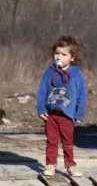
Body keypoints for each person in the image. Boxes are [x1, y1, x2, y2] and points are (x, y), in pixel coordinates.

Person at [36, 35, 87, 178]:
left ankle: (70, 165)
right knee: (51, 141)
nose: (59, 57)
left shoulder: (76, 74)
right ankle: (50, 164)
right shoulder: (49, 71)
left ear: (72, 57)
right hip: (51, 115)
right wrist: (41, 109)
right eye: (57, 53)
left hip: (67, 115)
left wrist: (79, 114)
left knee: (67, 142)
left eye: (64, 54)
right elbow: (42, 91)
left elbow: (82, 95)